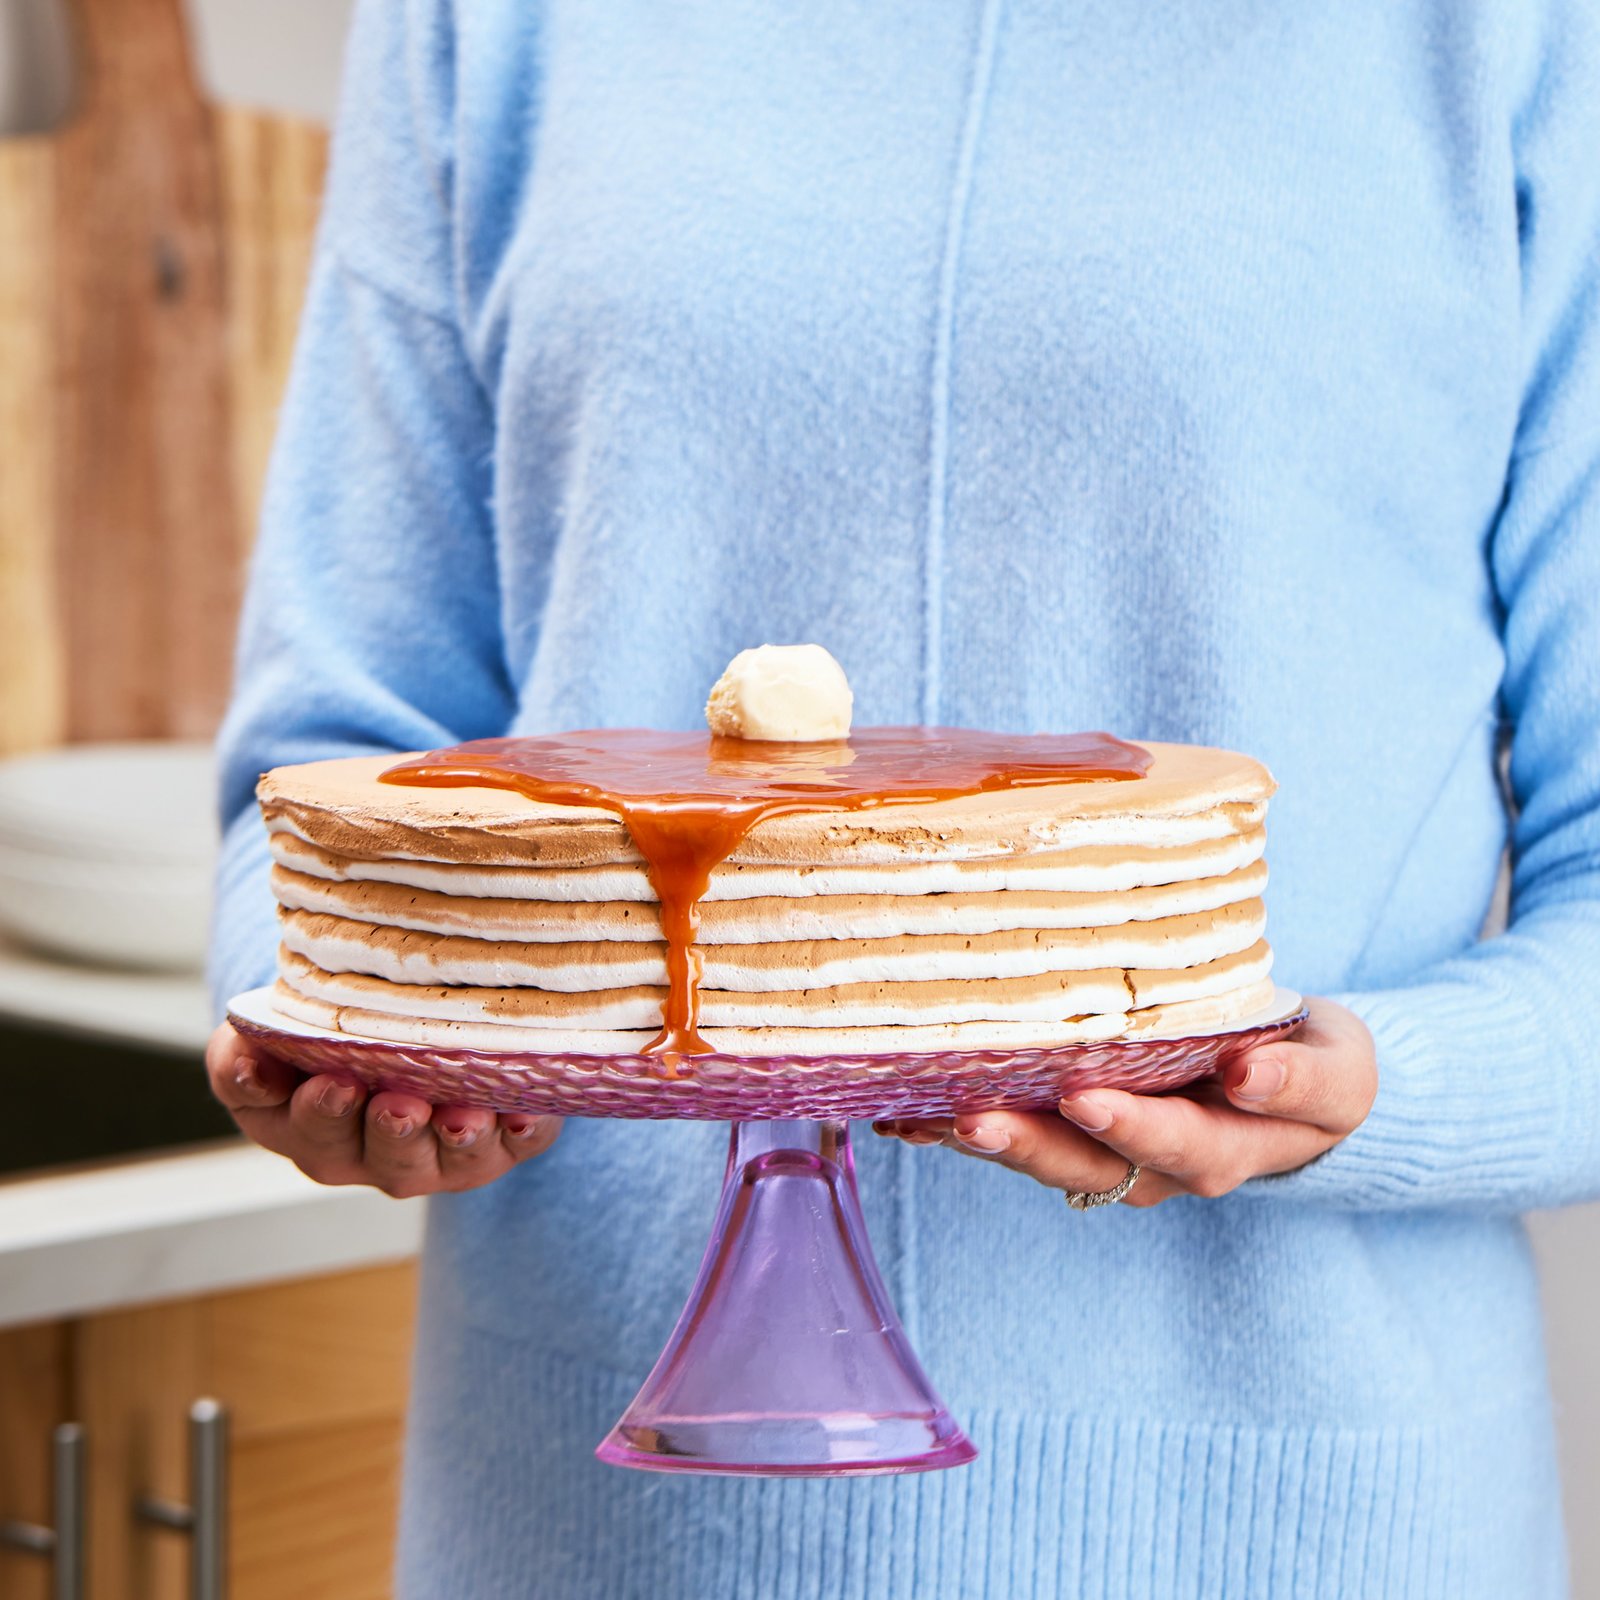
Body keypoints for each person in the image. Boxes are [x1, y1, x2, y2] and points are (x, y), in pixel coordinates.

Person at [206, 1, 1600, 1594]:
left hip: (1296, 1522)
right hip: (602, 1523)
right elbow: (325, 757)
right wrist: (335, 1029)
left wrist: (1368, 1088)